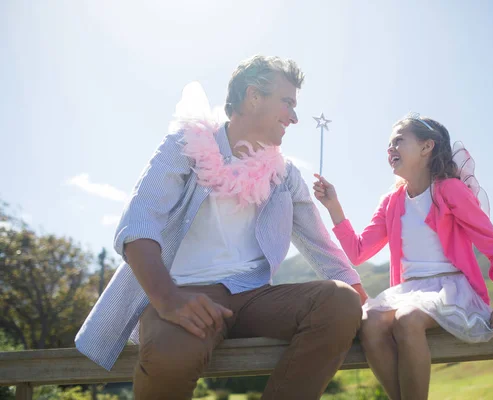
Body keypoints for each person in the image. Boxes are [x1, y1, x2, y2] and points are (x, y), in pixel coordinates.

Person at [75, 55, 368, 400]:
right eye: (287, 102)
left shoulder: (285, 175)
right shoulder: (185, 145)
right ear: (253, 96)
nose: (294, 116)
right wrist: (168, 299)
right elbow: (137, 224)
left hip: (256, 295)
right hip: (185, 292)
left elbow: (324, 248)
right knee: (169, 356)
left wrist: (368, 307)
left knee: (340, 302)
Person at [313, 113, 493, 400]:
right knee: (371, 321)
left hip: (451, 288)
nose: (390, 149)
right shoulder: (391, 202)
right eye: (389, 143)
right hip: (409, 290)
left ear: (427, 147)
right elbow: (358, 251)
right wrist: (333, 206)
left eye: (399, 140)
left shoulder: (450, 190)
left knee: (407, 319)